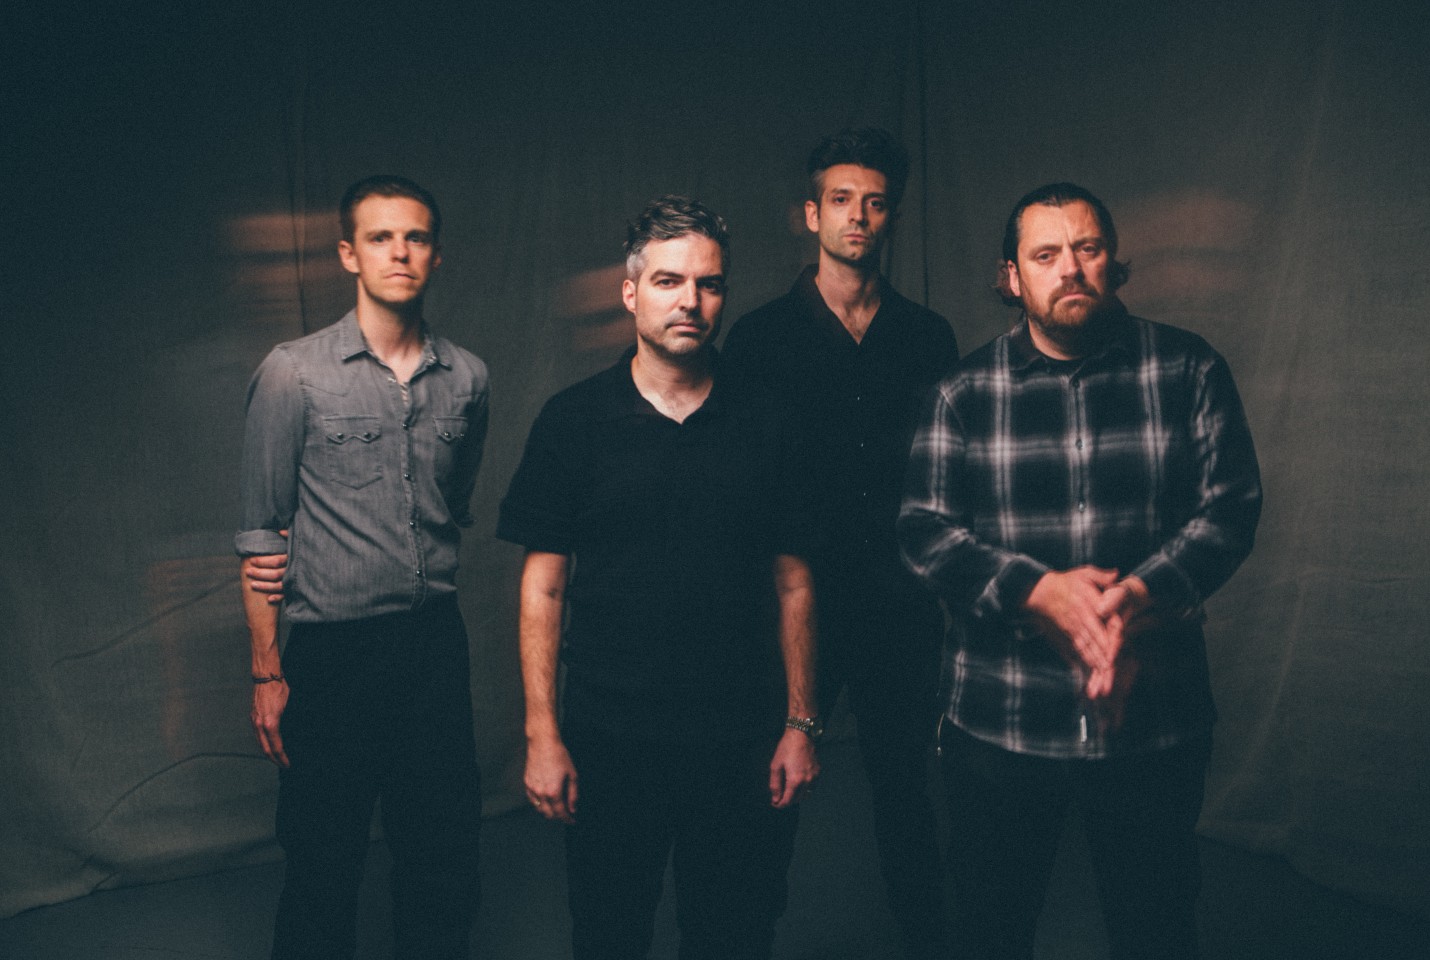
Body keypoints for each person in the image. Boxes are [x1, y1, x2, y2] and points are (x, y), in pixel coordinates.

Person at [898, 183, 1262, 960]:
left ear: (1113, 263)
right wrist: (1037, 591)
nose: (1070, 268)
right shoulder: (962, 392)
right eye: (1046, 255)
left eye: (1087, 249)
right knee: (990, 932)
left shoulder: (1188, 368)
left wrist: (1134, 598)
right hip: (1002, 719)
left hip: (1153, 716)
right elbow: (924, 530)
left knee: (1156, 928)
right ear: (1011, 276)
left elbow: (1230, 508)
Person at [498, 196, 820, 960]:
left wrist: (801, 724)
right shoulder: (573, 421)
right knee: (609, 934)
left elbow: (795, 583)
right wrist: (542, 733)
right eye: (669, 281)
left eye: (709, 284)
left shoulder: (768, 418)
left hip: (738, 736)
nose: (690, 301)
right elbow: (543, 587)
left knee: (734, 935)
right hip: (612, 738)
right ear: (630, 292)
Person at [236, 175, 489, 960]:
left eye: (415, 237)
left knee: (444, 859)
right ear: (349, 253)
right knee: (323, 863)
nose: (399, 252)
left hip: (432, 648)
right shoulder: (294, 373)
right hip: (332, 656)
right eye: (381, 237)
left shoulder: (468, 378)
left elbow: (455, 501)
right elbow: (261, 533)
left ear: (436, 255)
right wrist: (267, 670)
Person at [721, 128, 959, 960]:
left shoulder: (927, 336)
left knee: (906, 794)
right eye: (842, 200)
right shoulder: (758, 339)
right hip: (791, 609)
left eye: (876, 202)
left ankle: (928, 942)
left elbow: (946, 477)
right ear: (810, 213)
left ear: (890, 216)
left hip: (898, 605)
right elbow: (738, 486)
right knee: (770, 794)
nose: (859, 216)